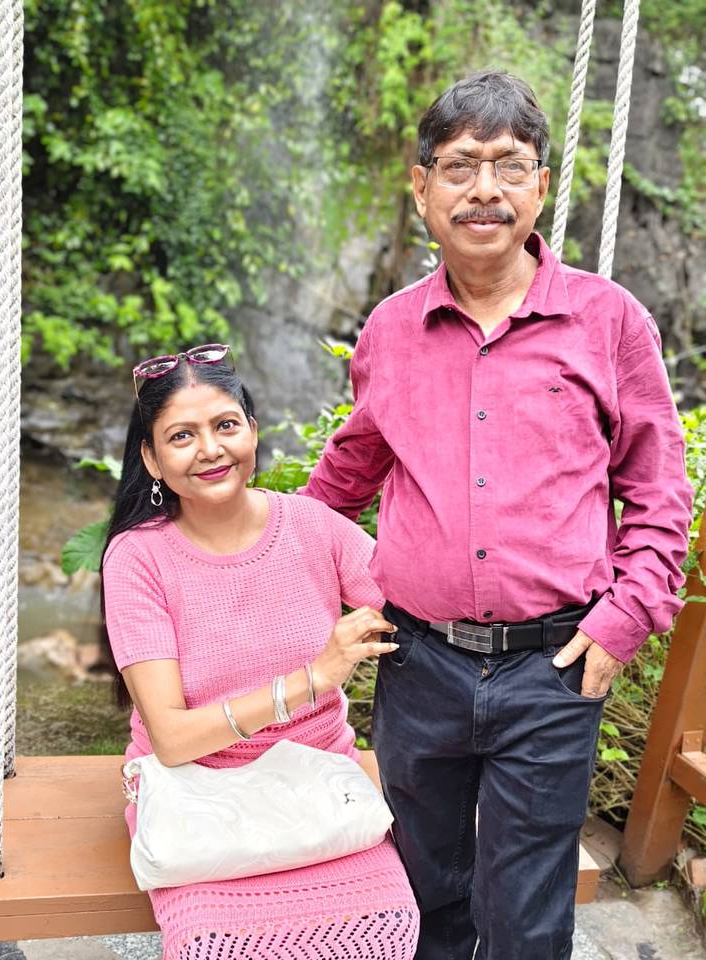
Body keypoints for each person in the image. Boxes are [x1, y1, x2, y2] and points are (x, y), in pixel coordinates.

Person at [303, 71, 694, 960]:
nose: (485, 189)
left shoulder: (609, 321)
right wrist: (249, 558)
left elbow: (659, 490)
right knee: (422, 890)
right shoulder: (392, 330)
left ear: (541, 186)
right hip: (417, 661)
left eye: (509, 165)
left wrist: (625, 619)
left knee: (525, 915)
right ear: (422, 187)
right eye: (461, 166)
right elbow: (347, 472)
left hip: (553, 669)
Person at [100, 344, 419, 960]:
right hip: (198, 797)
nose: (210, 449)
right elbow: (172, 739)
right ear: (152, 459)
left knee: (389, 931)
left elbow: (416, 609)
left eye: (225, 425)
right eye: (182, 436)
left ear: (252, 429)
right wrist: (315, 677)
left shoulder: (313, 526)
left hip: (320, 789)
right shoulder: (139, 558)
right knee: (216, 947)